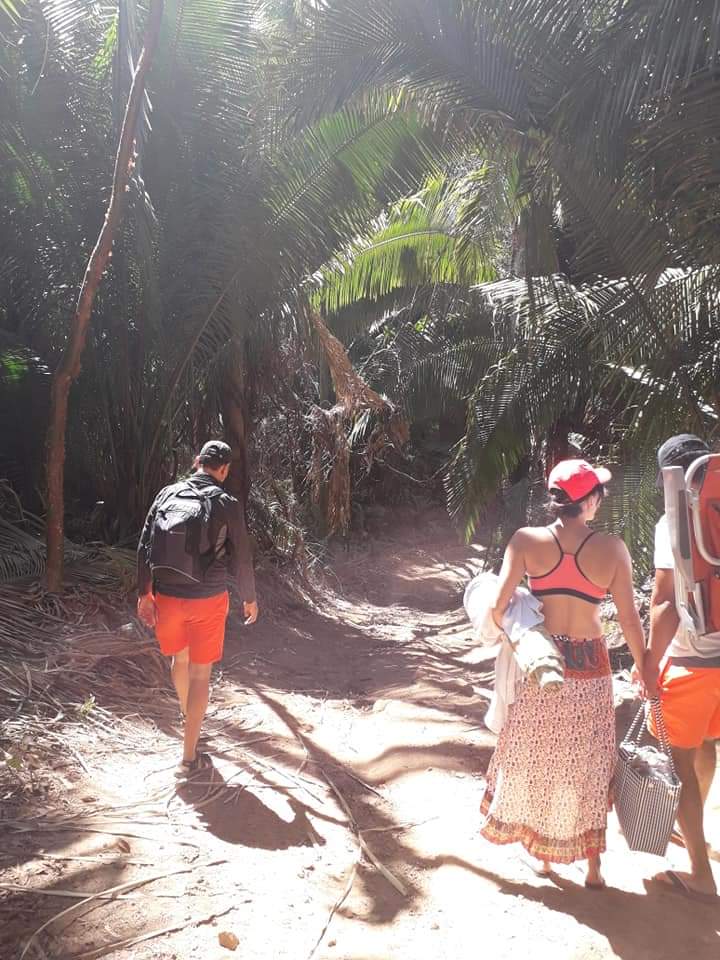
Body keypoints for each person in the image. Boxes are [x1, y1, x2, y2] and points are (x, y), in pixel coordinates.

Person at [480, 459, 645, 888]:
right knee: (589, 764)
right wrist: (645, 671)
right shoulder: (612, 550)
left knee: (541, 758)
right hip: (591, 666)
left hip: (543, 664)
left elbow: (497, 607)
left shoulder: (525, 542)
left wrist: (508, 624)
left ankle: (544, 858)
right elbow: (629, 622)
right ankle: (593, 868)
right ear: (590, 501)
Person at [137, 440, 259, 778]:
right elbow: (242, 555)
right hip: (207, 599)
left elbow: (145, 544)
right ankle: (189, 758)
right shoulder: (226, 502)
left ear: (196, 462)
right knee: (201, 673)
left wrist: (144, 594)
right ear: (224, 469)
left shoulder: (166, 495)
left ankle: (188, 717)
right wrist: (249, 597)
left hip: (168, 597)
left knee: (181, 659)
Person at [641, 433, 719, 902]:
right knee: (707, 744)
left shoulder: (673, 524)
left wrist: (649, 664)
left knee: (680, 762)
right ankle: (698, 835)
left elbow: (664, 605)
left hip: (691, 662)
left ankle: (699, 874)